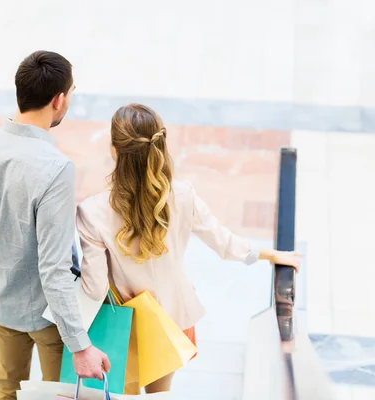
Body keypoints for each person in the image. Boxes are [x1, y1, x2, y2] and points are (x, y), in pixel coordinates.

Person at [76, 103, 302, 394]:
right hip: (172, 319)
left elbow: (94, 288)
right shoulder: (182, 194)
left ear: (113, 149)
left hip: (125, 325)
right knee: (160, 394)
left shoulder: (91, 211)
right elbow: (223, 242)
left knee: (121, 394)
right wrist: (268, 254)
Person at [0, 50, 110, 400]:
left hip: (1, 305)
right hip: (49, 319)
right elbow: (54, 267)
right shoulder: (55, 168)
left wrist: (0, 277)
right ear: (58, 101)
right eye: (70, 94)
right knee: (54, 394)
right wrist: (80, 345)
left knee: (6, 390)